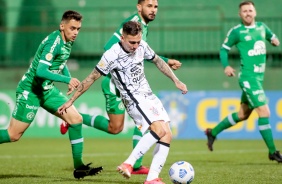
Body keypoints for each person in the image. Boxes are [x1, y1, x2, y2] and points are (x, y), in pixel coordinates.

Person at [60, 0, 182, 174]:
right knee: (146, 123)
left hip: (132, 86)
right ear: (139, 7)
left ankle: (136, 164)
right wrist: (119, 70)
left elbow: (141, 50)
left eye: (156, 6)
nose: (153, 10)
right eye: (149, 6)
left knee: (116, 128)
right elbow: (110, 47)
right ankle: (134, 163)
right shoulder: (134, 24)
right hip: (114, 82)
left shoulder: (142, 29)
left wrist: (165, 60)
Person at [0, 10, 103, 179]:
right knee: (13, 135)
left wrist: (68, 78)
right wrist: (66, 80)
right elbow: (40, 71)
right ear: (62, 26)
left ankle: (79, 167)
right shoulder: (54, 42)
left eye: (78, 29)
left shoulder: (67, 41)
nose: (76, 32)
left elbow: (61, 62)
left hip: (47, 90)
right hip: (31, 90)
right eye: (72, 28)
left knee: (76, 119)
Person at [205, 1, 282, 163]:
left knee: (242, 115)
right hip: (248, 78)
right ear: (240, 14)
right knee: (264, 112)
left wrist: (274, 40)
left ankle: (213, 132)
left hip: (258, 78)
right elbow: (223, 49)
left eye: (250, 10)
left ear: (255, 12)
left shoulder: (262, 27)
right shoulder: (237, 32)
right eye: (244, 11)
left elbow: (272, 37)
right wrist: (226, 66)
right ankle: (273, 151)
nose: (248, 13)